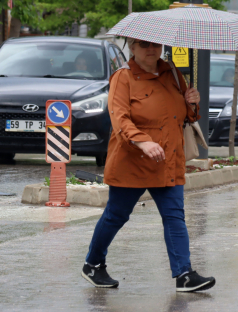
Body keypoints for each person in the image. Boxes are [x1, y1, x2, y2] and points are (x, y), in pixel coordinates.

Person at [82, 37, 216, 292]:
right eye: (144, 45)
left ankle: (184, 274)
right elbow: (119, 119)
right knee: (116, 215)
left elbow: (185, 116)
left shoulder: (173, 74)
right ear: (132, 47)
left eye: (156, 45)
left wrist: (192, 102)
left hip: (168, 160)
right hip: (133, 161)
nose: (151, 49)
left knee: (174, 216)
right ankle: (93, 264)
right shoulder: (123, 78)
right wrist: (143, 142)